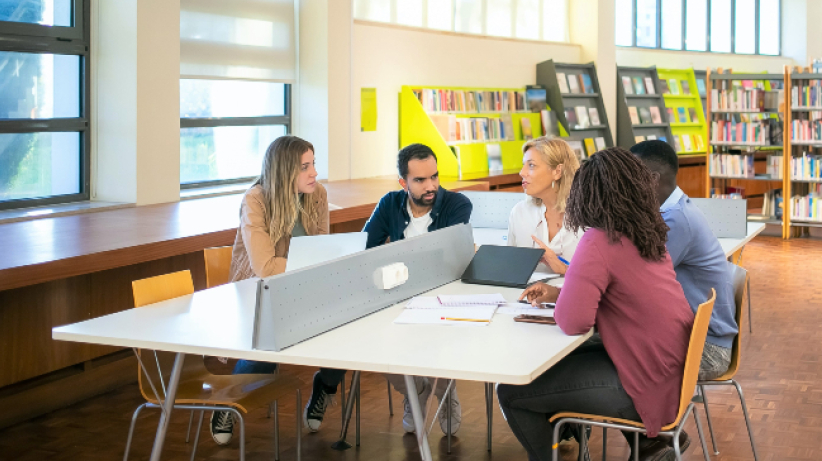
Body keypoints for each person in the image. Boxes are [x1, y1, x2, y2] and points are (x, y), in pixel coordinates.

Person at [497, 147, 694, 461]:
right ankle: (644, 445)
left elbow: (574, 321)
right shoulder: (646, 231)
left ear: (587, 195)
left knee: (511, 392)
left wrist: (567, 295)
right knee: (564, 364)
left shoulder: (598, 240)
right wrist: (563, 293)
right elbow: (619, 298)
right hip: (670, 371)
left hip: (642, 383)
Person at [212, 136, 345, 445]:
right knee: (268, 348)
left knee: (345, 333)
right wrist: (312, 261)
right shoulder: (256, 199)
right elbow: (266, 268)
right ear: (285, 171)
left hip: (306, 286)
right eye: (305, 167)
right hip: (260, 292)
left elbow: (321, 247)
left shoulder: (317, 194)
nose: (314, 173)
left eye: (314, 164)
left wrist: (316, 262)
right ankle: (228, 401)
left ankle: (325, 387)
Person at [363, 143, 472, 436]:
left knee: (439, 338)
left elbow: (444, 257)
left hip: (443, 296)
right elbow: (366, 249)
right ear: (403, 183)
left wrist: (397, 256)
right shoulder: (389, 203)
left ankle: (445, 388)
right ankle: (417, 389)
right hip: (397, 295)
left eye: (434, 176)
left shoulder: (457, 204)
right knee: (370, 342)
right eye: (420, 180)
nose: (431, 186)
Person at [630, 139, 738, 380]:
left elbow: (637, 279)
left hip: (707, 349)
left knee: (603, 359)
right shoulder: (670, 210)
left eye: (630, 176)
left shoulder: (675, 220)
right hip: (691, 336)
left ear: (653, 179)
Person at [507, 137, 581, 275]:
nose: (522, 172)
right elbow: (511, 266)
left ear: (557, 171)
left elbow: (604, 277)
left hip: (576, 295)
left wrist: (564, 269)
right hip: (527, 295)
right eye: (523, 165)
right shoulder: (520, 212)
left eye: (531, 165)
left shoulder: (588, 217)